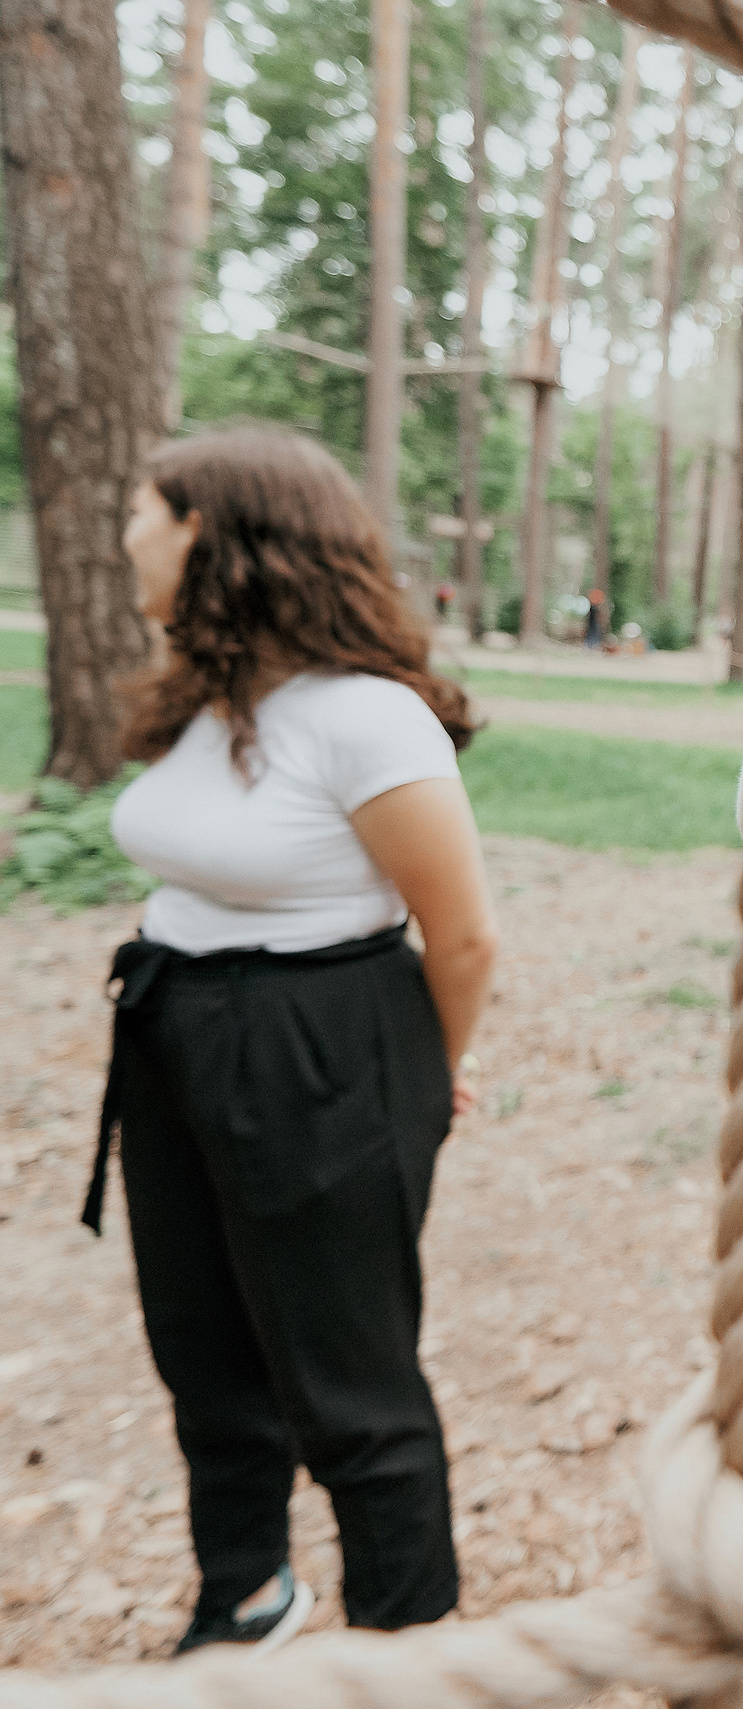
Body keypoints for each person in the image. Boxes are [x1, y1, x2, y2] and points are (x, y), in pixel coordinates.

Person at [95, 424, 499, 1656]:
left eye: (142, 512)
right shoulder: (212, 701)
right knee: (203, 1347)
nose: (124, 536)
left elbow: (464, 933)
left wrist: (419, 1081)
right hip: (175, 1036)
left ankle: (408, 1650)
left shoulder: (363, 717)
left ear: (216, 535)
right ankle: (248, 1594)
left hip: (320, 1048)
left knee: (349, 1383)